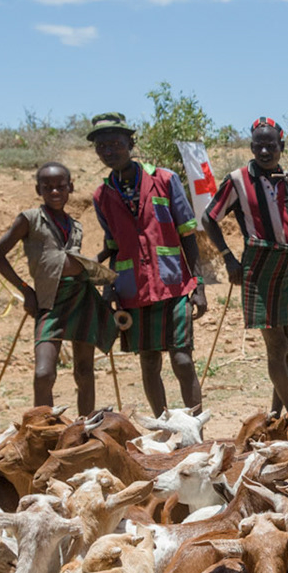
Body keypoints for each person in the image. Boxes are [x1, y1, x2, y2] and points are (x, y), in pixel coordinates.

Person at [87, 112, 207, 414]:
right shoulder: (102, 195)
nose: (109, 151)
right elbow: (113, 246)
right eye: (102, 147)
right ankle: (164, 426)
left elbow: (188, 235)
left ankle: (196, 427)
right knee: (149, 362)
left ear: (131, 142)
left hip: (175, 284)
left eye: (116, 143)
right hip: (133, 291)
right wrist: (109, 288)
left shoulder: (165, 180)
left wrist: (199, 285)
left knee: (182, 360)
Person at [0, 162, 114, 411]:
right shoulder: (30, 219)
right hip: (49, 301)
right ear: (39, 189)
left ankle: (85, 427)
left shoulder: (76, 225)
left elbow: (72, 262)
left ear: (71, 187)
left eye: (60, 186)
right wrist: (26, 289)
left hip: (82, 297)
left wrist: (102, 259)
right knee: (44, 374)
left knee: (84, 370)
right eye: (48, 187)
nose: (55, 192)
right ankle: (44, 429)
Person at [207, 118, 288, 413]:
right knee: (276, 346)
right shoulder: (238, 180)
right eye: (258, 146)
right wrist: (227, 257)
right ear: (251, 147)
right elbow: (209, 218)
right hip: (260, 265)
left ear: (282, 147)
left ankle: (278, 415)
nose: (265, 151)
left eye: (271, 145)